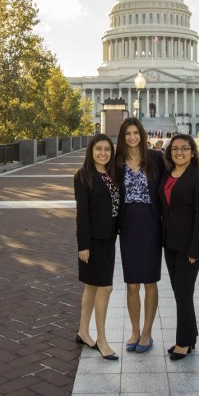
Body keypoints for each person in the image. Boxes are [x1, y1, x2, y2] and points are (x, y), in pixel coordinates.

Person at [115, 118, 164, 354]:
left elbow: (170, 185)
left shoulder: (155, 159)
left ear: (142, 135)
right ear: (123, 137)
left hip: (151, 223)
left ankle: (147, 332)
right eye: (128, 133)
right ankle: (134, 330)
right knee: (132, 283)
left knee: (150, 281)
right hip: (128, 224)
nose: (132, 137)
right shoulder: (117, 162)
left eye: (136, 133)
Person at [160, 133, 199, 360]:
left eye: (184, 148)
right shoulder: (168, 175)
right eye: (175, 149)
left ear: (192, 151)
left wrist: (195, 249)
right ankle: (191, 334)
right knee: (180, 292)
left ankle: (183, 342)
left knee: (183, 292)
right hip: (170, 243)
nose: (179, 152)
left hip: (190, 246)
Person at [73, 134, 120, 360]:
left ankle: (83, 331)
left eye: (107, 149)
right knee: (105, 288)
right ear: (91, 151)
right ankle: (101, 339)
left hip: (108, 239)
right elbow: (82, 214)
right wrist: (83, 245)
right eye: (98, 149)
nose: (103, 153)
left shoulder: (110, 175)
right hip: (93, 242)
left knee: (91, 287)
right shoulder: (83, 176)